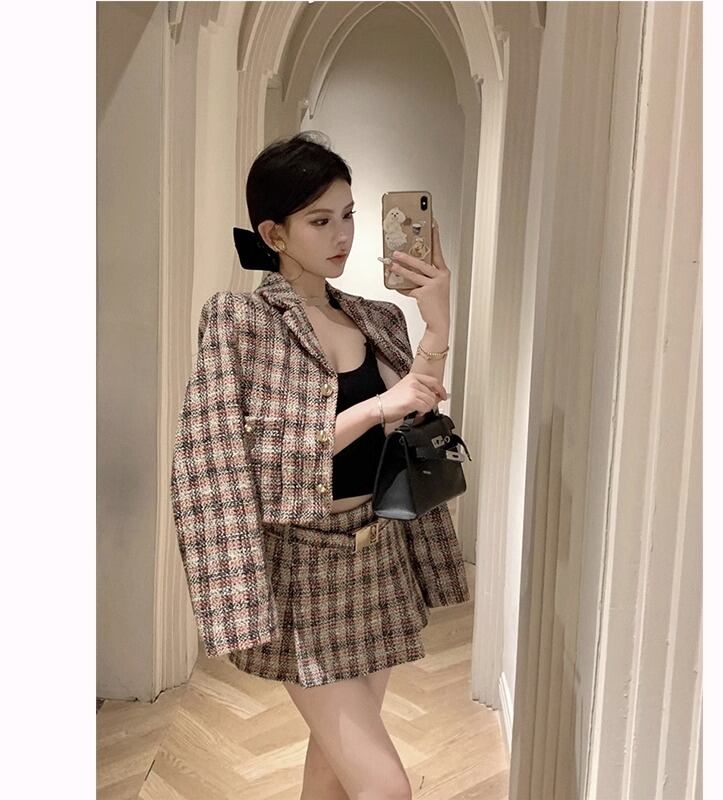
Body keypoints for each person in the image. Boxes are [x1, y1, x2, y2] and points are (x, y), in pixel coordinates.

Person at [171, 131, 469, 799]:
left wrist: (437, 327)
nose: (343, 235)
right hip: (303, 569)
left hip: (379, 556)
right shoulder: (241, 320)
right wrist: (375, 408)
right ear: (273, 233)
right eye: (320, 220)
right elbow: (248, 459)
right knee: (385, 787)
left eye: (350, 214)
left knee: (333, 773)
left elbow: (415, 418)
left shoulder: (377, 318)